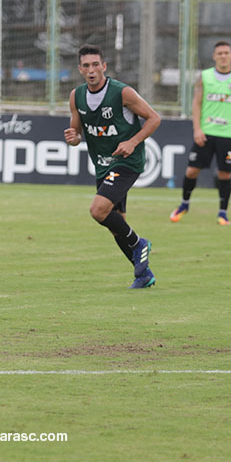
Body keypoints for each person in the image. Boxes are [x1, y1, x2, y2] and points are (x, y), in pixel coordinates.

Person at [64, 44, 161, 289]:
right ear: (80, 69)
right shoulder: (76, 96)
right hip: (103, 164)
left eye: (96, 64)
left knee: (98, 210)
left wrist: (132, 141)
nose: (91, 70)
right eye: (86, 66)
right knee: (117, 223)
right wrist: (74, 139)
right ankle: (144, 275)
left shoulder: (122, 93)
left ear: (104, 66)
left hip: (128, 162)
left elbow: (154, 118)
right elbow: (76, 132)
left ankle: (140, 243)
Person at [169, 40, 231, 225]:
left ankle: (223, 213)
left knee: (225, 174)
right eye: (220, 53)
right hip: (206, 132)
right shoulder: (205, 77)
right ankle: (184, 204)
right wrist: (197, 129)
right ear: (214, 57)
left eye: (226, 53)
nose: (223, 56)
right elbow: (196, 103)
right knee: (192, 170)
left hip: (228, 134)